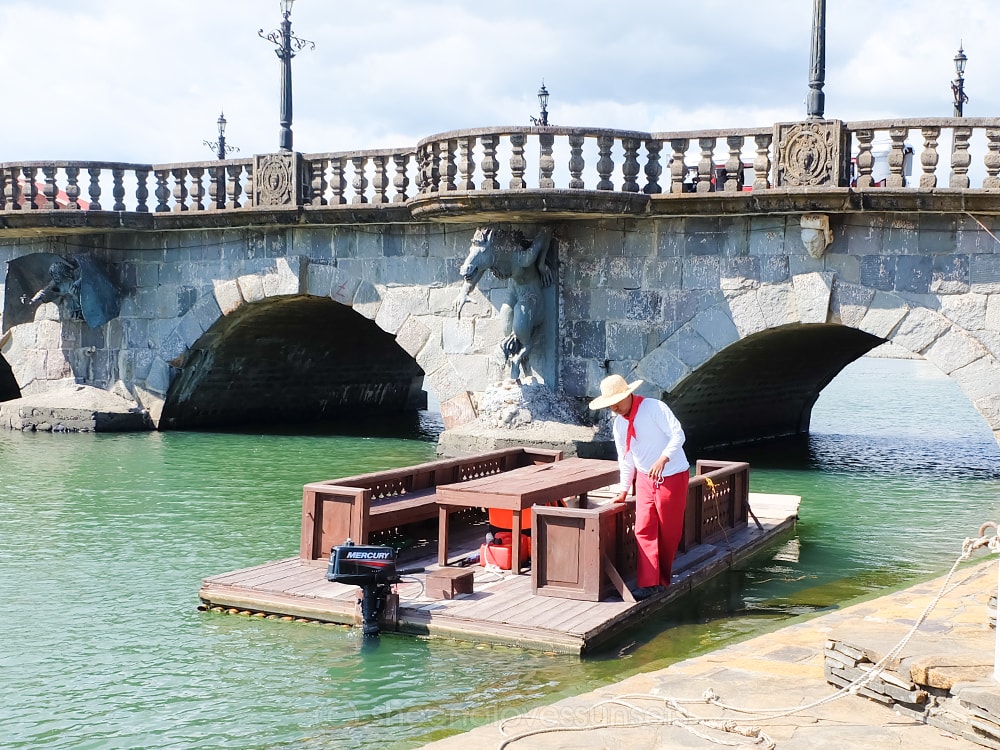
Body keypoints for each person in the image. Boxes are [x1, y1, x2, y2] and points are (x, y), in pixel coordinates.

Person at [589, 374, 690, 600]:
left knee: (668, 532)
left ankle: (663, 579)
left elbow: (678, 435)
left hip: (672, 475)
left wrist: (663, 458)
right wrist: (624, 489)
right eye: (610, 405)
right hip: (644, 478)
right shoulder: (618, 424)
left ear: (628, 395)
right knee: (642, 527)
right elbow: (625, 458)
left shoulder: (654, 408)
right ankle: (649, 583)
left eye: (617, 402)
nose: (614, 408)